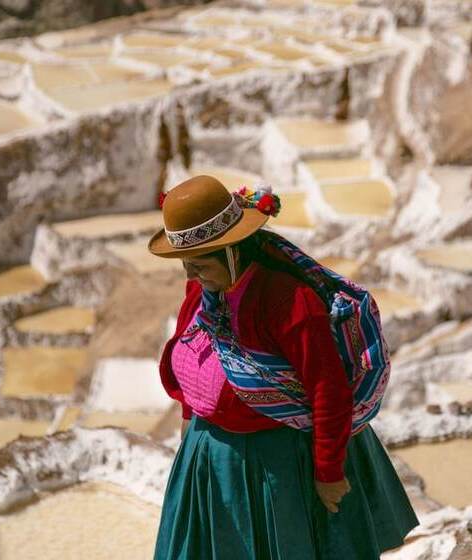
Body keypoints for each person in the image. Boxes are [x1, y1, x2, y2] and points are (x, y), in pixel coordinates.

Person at [148, 175, 418, 559]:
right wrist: (190, 418)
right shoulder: (203, 290)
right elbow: (191, 353)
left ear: (232, 251)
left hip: (280, 462)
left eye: (200, 264)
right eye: (186, 266)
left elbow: (329, 388)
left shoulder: (288, 302)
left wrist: (328, 474)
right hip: (214, 456)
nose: (191, 276)